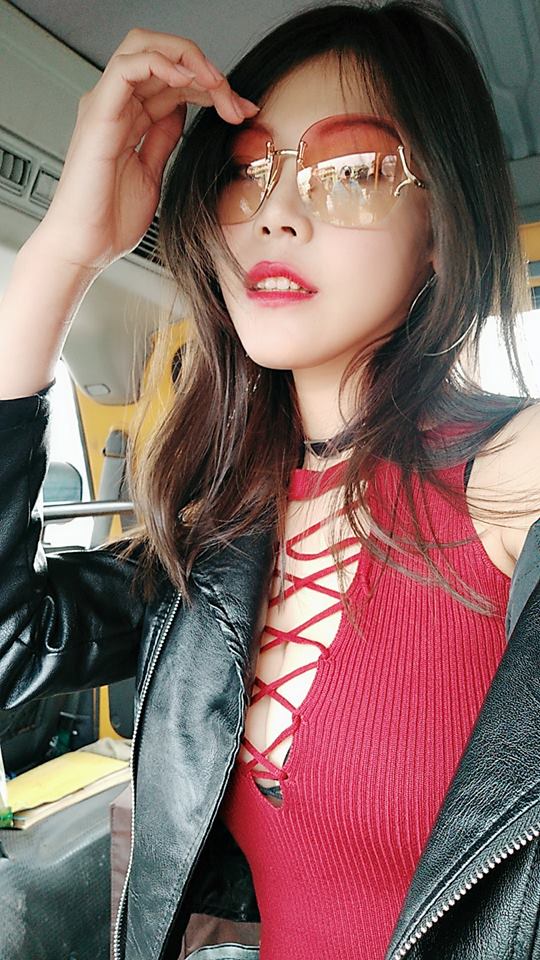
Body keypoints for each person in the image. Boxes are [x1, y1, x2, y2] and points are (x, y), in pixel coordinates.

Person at [0, 3, 539, 959]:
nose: (276, 211)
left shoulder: (508, 472)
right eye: (248, 172)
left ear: (441, 227)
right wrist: (64, 252)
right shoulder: (223, 533)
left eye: (352, 171)